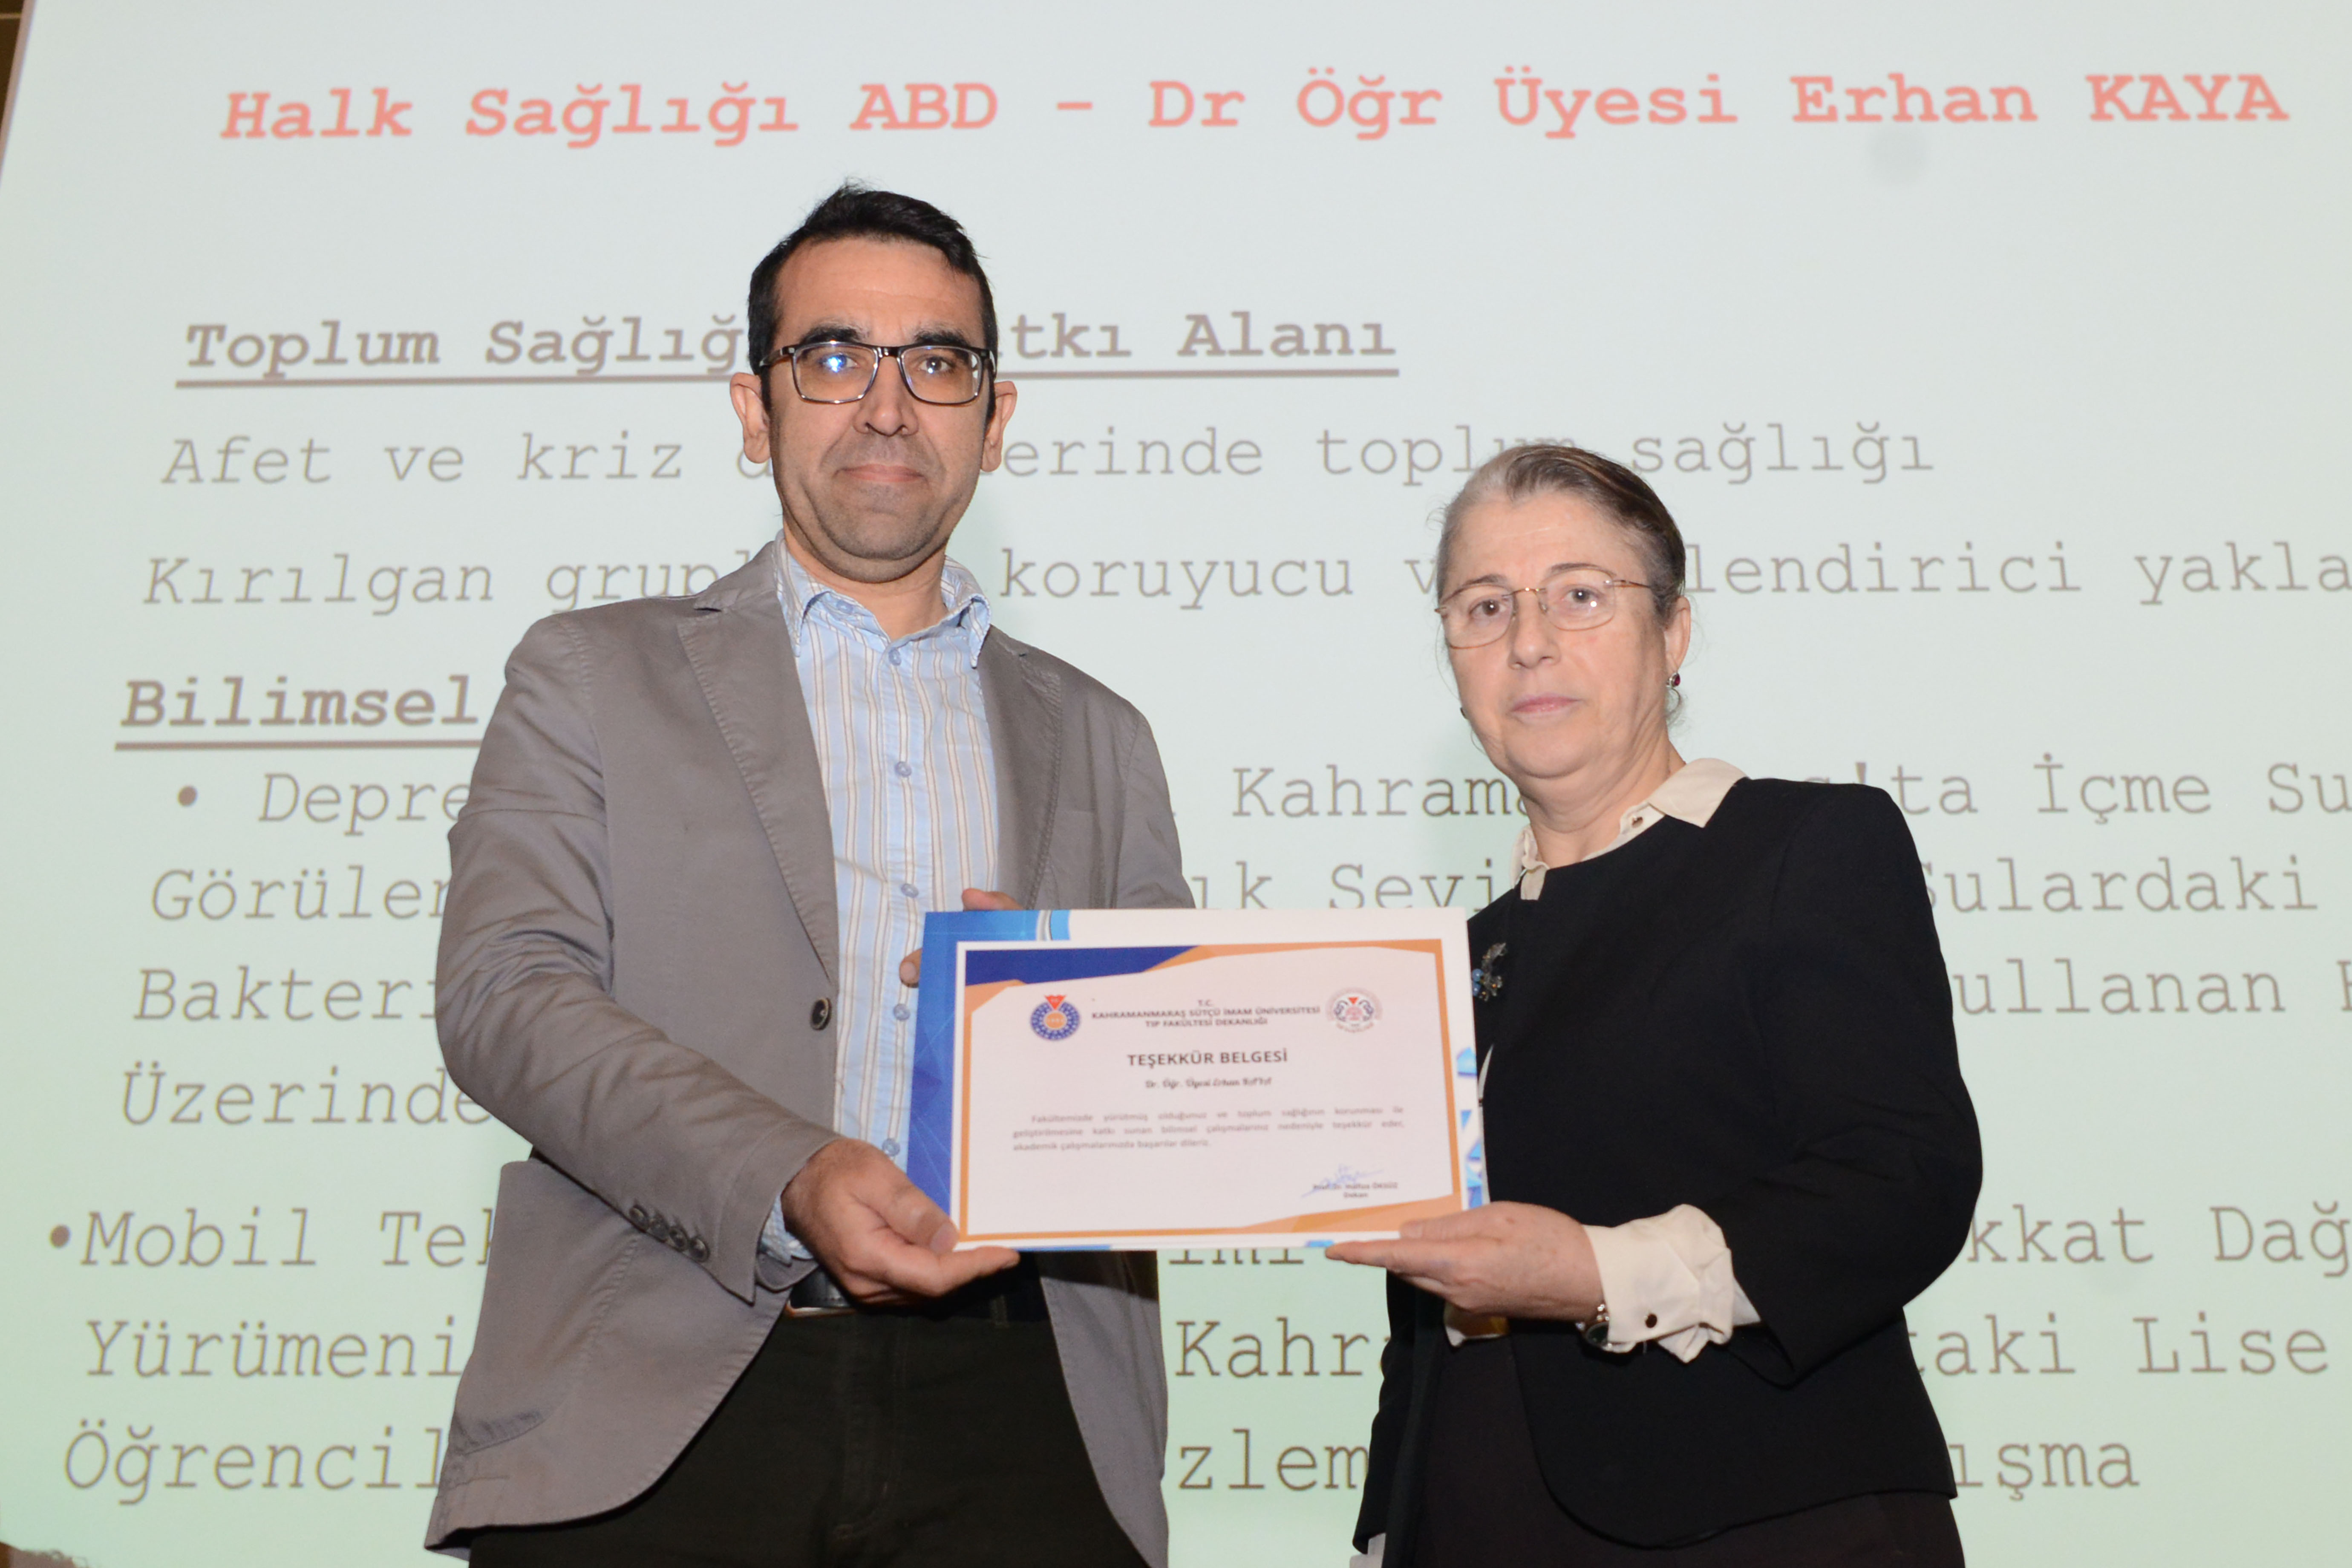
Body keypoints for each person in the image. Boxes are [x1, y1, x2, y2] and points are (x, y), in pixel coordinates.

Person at [425, 184, 1189, 1566]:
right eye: (834, 357)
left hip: (1027, 1414)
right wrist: (789, 1175)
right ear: (754, 407)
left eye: (936, 363)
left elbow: (1167, 1092)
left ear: (995, 419)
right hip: (660, 1402)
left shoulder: (1103, 735)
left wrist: (1065, 1026)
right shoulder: (591, 673)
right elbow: (505, 995)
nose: (887, 407)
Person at [1331, 446, 1980, 1567]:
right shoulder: (1458, 958)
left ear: (1673, 633)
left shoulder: (1804, 846)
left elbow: (1902, 1177)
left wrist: (1596, 1273)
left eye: (1580, 596)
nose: (1529, 641)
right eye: (1485, 607)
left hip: (1768, 1524)